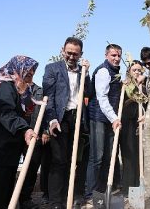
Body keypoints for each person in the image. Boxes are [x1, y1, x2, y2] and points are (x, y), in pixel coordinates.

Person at [42, 37, 91, 209]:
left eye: (75, 54)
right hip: (60, 119)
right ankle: (55, 202)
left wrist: (86, 73)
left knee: (73, 160)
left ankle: (69, 196)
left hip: (77, 119)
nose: (71, 56)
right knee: (58, 160)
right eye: (69, 53)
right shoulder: (52, 69)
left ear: (81, 54)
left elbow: (88, 92)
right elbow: (48, 98)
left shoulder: (82, 70)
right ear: (63, 50)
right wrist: (52, 120)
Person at [0, 55, 38, 209]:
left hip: (7, 151)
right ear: (17, 69)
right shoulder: (3, 85)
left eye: (33, 72)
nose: (31, 74)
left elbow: (26, 110)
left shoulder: (16, 87)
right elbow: (5, 112)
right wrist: (24, 129)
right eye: (28, 71)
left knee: (4, 192)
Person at [85, 44, 123, 202]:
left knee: (109, 156)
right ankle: (89, 193)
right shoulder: (103, 71)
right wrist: (114, 118)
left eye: (118, 55)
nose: (116, 58)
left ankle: (101, 191)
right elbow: (102, 98)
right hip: (99, 118)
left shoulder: (116, 72)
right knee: (97, 156)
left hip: (110, 119)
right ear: (106, 55)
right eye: (113, 55)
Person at [18, 81, 51, 209]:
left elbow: (46, 112)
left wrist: (45, 131)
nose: (29, 74)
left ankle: (25, 199)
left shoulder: (40, 91)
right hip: (16, 133)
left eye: (32, 72)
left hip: (34, 134)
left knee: (31, 167)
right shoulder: (13, 88)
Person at [119, 60, 146, 195]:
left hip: (140, 123)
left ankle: (138, 184)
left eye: (139, 70)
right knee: (128, 154)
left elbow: (148, 103)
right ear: (129, 71)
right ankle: (127, 187)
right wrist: (136, 85)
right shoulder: (125, 85)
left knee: (139, 154)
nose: (137, 72)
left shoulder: (144, 86)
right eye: (134, 70)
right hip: (127, 123)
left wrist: (145, 116)